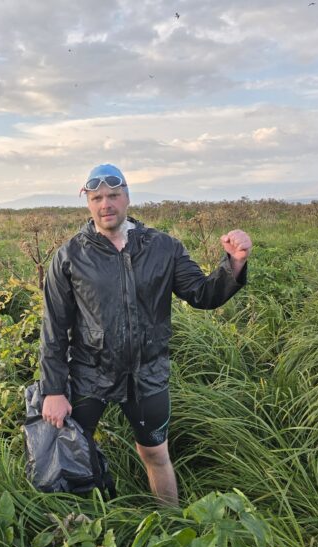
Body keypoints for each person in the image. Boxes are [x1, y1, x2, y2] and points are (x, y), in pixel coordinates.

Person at [39, 164, 251, 506]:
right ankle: (79, 533)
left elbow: (202, 294)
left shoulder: (163, 248)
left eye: (113, 195)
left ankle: (170, 525)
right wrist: (53, 390)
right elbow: (54, 328)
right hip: (89, 373)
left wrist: (235, 264)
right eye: (97, 198)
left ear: (127, 197)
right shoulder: (70, 256)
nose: (106, 204)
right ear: (87, 202)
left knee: (155, 453)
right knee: (72, 453)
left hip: (147, 375)